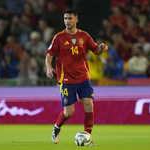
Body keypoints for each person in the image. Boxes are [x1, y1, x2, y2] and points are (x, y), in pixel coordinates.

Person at [45, 9, 108, 146]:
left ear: (76, 20)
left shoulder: (84, 36)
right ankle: (57, 127)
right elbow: (49, 55)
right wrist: (49, 67)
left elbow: (95, 50)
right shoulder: (59, 37)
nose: (67, 21)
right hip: (67, 79)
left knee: (89, 105)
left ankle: (88, 137)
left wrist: (101, 48)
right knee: (69, 112)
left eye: (70, 18)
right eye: (65, 19)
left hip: (83, 77)